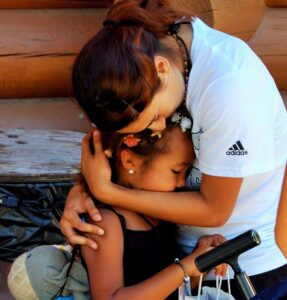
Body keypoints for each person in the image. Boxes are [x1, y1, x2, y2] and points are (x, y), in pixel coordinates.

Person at [60, 0, 287, 296]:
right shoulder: (136, 65)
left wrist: (107, 192)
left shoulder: (229, 86)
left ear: (162, 68)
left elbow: (215, 209)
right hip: (176, 259)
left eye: (154, 117)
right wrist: (83, 192)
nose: (155, 128)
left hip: (242, 263)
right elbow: (109, 146)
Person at [81, 124, 227, 299]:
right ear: (130, 161)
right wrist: (185, 267)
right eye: (176, 171)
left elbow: (170, 291)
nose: (182, 183)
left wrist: (202, 259)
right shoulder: (105, 222)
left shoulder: (159, 215)